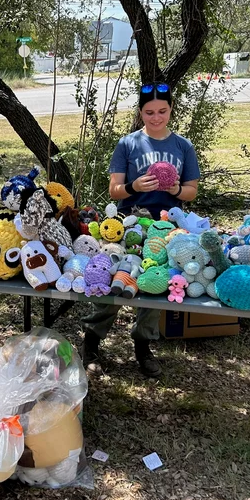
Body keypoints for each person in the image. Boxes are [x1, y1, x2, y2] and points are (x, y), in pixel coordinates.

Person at [82, 82, 200, 377]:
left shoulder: (183, 146)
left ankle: (143, 345)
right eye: (149, 112)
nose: (156, 117)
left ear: (171, 109)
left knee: (154, 283)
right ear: (140, 112)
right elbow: (114, 190)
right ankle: (92, 341)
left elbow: (192, 192)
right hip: (129, 225)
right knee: (114, 279)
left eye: (162, 111)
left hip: (166, 228)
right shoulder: (128, 144)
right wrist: (133, 186)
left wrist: (175, 188)